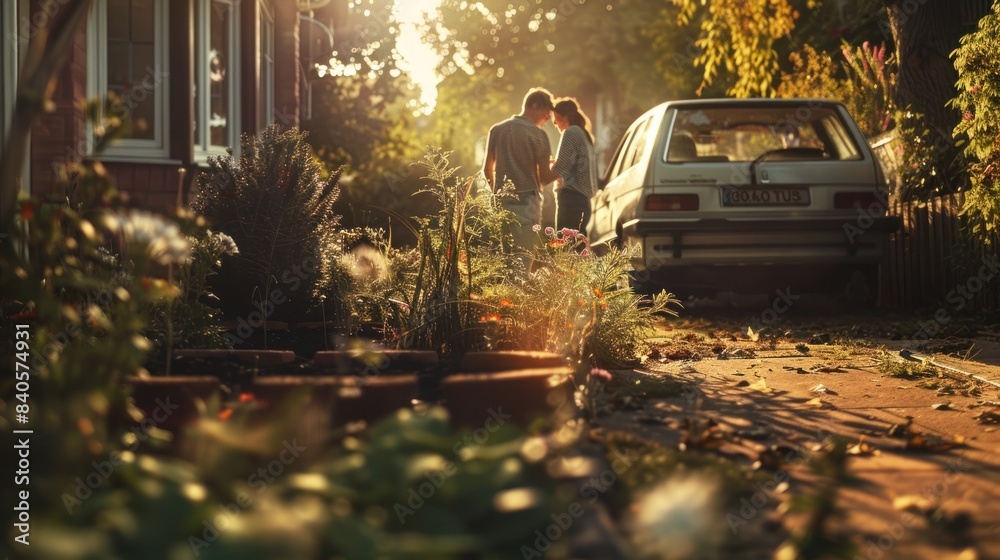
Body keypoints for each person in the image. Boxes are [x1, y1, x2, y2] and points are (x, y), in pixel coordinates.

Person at [482, 87, 559, 251]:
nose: (548, 119)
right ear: (535, 105)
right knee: (524, 254)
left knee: (507, 255)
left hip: (502, 202)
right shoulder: (538, 135)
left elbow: (487, 170)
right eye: (547, 113)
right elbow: (545, 178)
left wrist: (497, 194)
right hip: (527, 203)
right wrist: (562, 166)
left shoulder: (497, 129)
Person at [551, 98, 597, 232]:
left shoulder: (570, 132)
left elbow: (559, 169)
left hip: (571, 200)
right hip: (583, 201)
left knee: (565, 242)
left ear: (565, 117)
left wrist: (544, 172)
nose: (554, 122)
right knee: (578, 241)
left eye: (556, 117)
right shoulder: (583, 134)